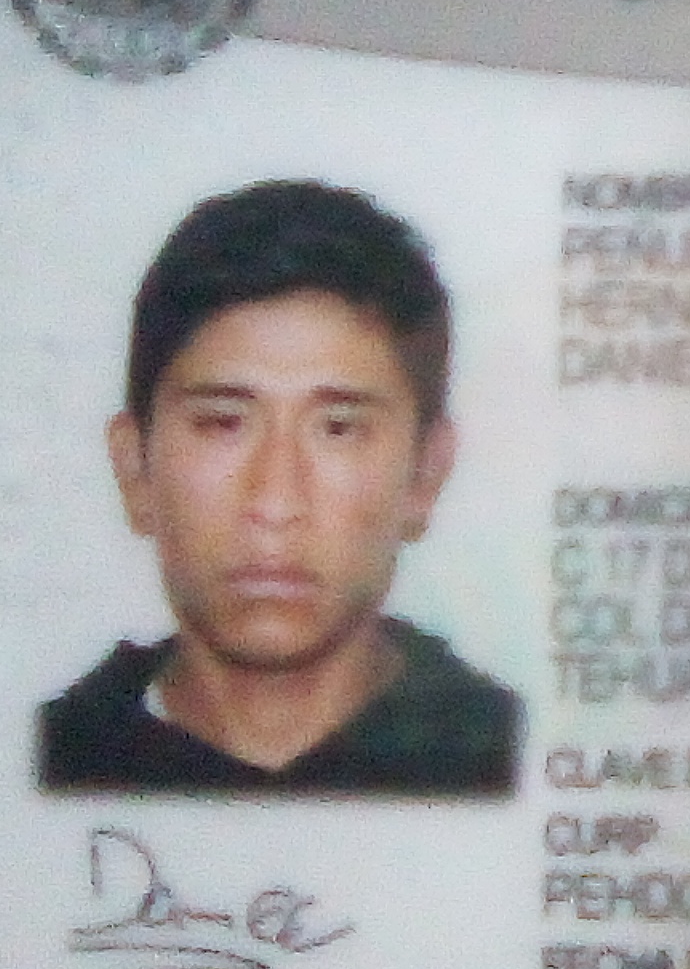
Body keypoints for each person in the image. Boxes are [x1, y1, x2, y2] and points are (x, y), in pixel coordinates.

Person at [40, 180, 521, 793]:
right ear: (135, 468)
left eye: (338, 429)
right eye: (223, 423)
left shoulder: (513, 763)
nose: (275, 502)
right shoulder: (30, 765)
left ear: (425, 475)